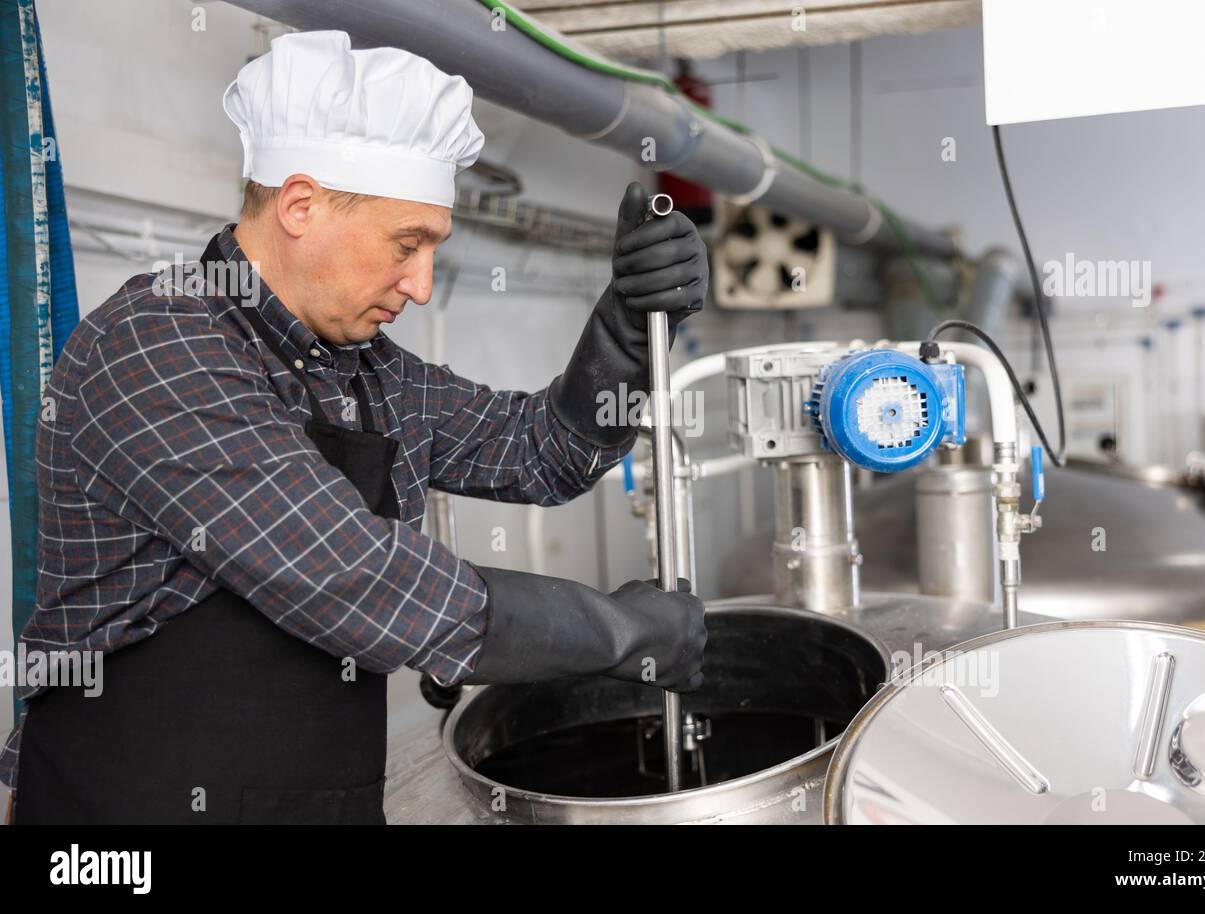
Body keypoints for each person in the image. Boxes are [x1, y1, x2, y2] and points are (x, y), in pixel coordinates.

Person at [2, 30, 708, 824]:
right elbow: (353, 573)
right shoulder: (157, 343)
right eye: (407, 244)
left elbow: (543, 452)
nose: (421, 285)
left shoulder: (370, 372)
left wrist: (624, 333)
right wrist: (617, 633)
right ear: (300, 206)